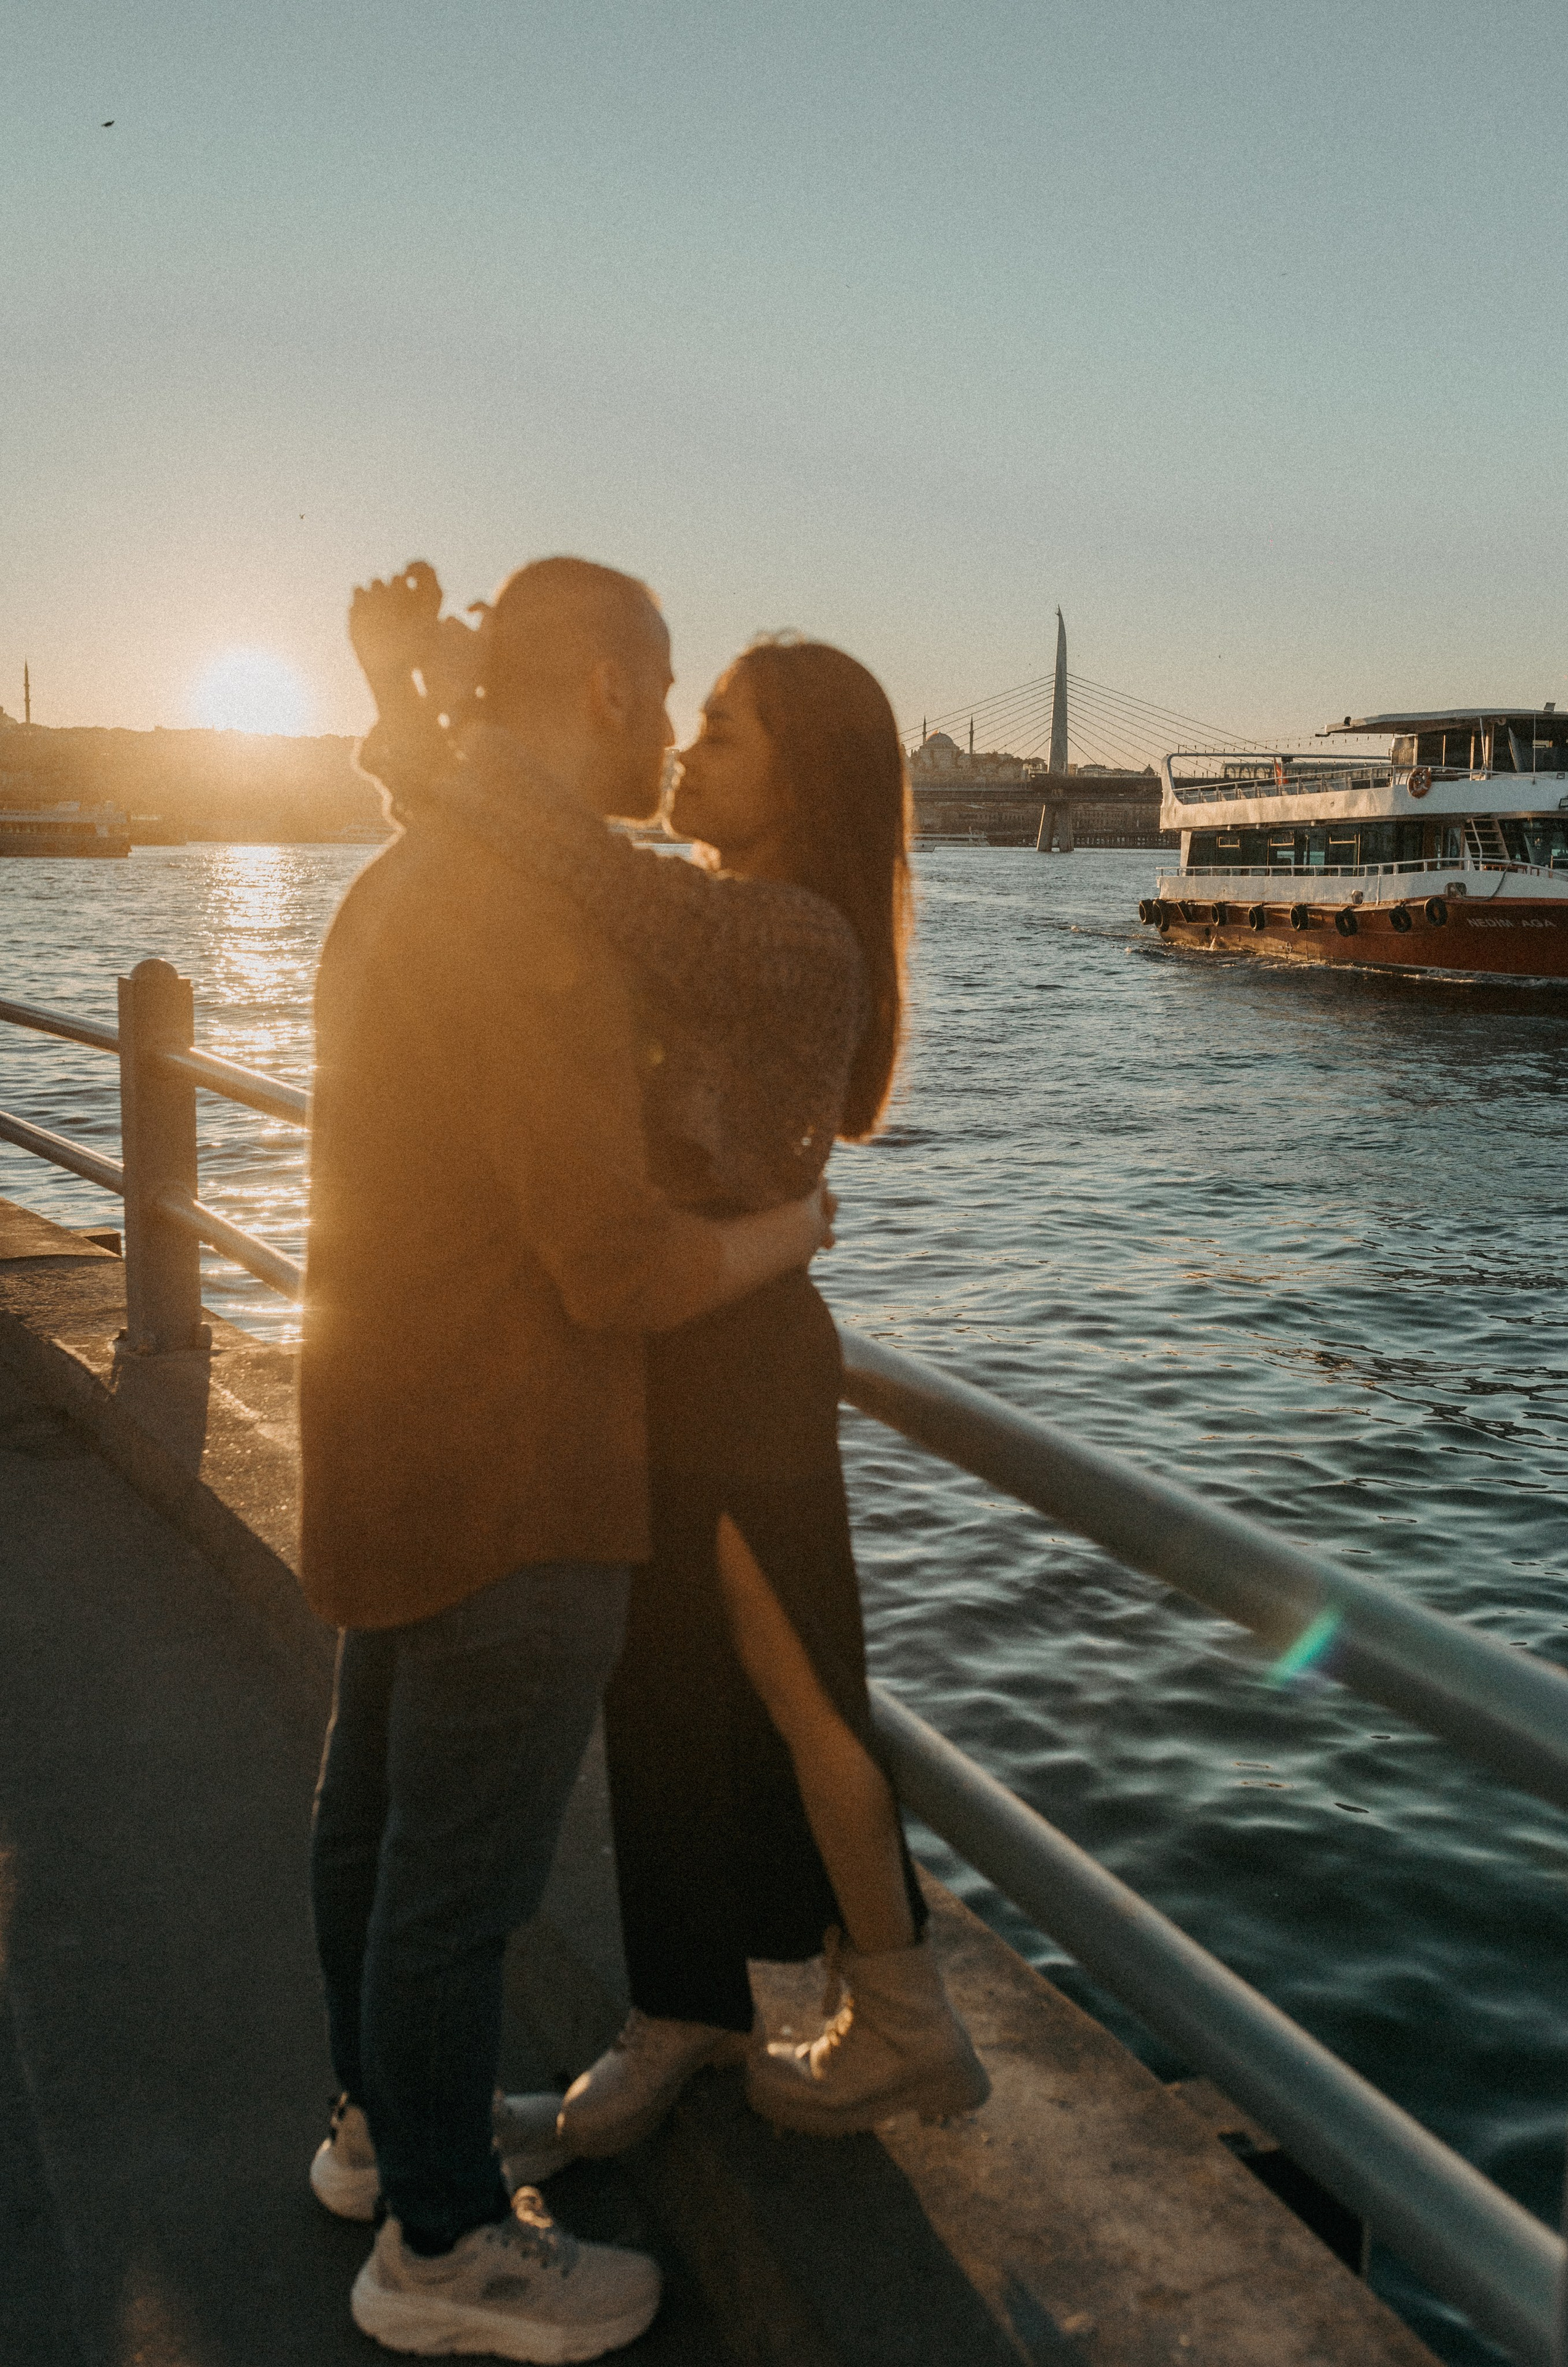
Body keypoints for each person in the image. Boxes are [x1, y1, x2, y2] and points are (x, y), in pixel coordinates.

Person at [358, 593, 989, 2158]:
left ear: (804, 776)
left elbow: (556, 851)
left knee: (795, 1689)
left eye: (720, 729)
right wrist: (414, 701)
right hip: (663, 1339)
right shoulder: (709, 909)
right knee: (661, 1701)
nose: (685, 752)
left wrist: (461, 704)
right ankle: (687, 2007)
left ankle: (906, 2014)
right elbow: (510, 855)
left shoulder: (788, 932)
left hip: (738, 1362)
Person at [300, 556, 838, 2363]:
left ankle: (384, 2135)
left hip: (381, 1433)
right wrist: (789, 1235)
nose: (669, 727)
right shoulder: (522, 923)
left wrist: (409, 697)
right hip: (512, 1472)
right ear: (608, 687)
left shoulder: (411, 880)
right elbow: (614, 1266)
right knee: (453, 1886)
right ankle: (446, 2249)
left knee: (373, 1833)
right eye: (663, 688)